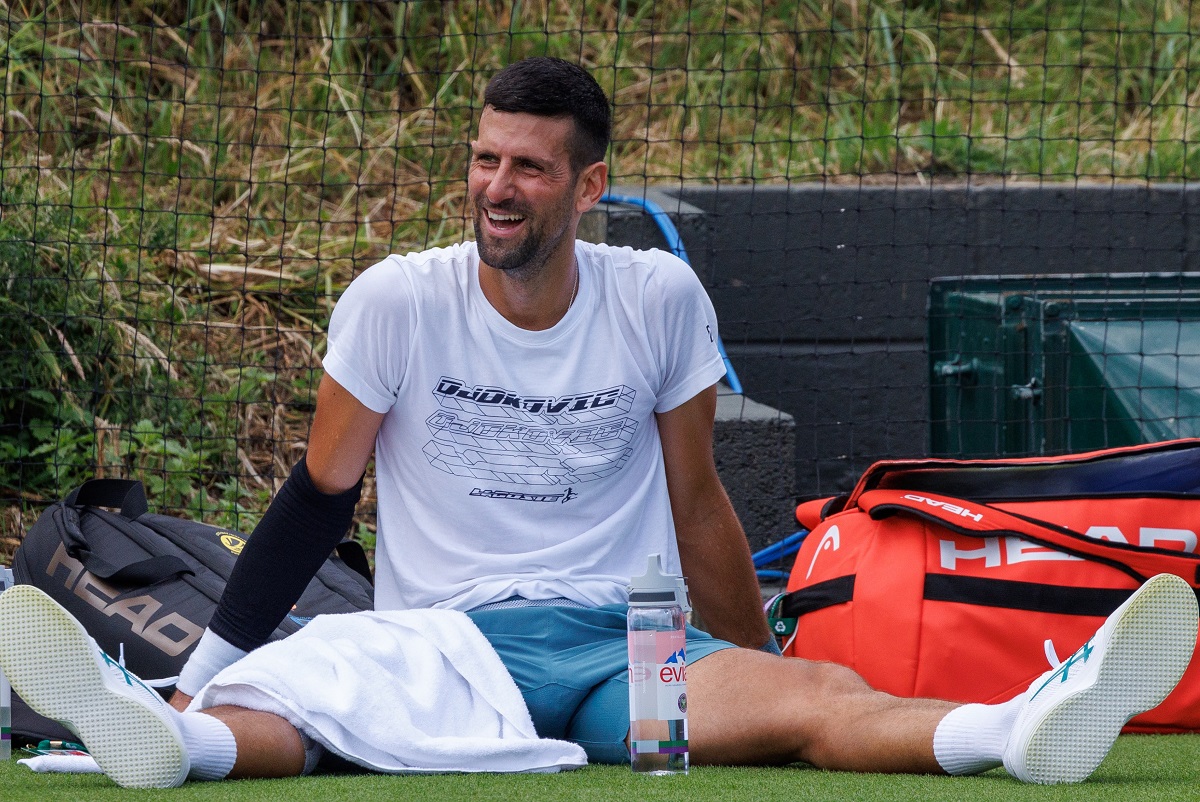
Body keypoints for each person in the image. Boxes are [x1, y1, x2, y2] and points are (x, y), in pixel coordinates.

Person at [0, 56, 1196, 789]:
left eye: (528, 168)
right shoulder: (394, 301)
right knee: (289, 709)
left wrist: (755, 656)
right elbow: (318, 500)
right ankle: (169, 738)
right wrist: (210, 670)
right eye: (484, 160)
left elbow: (697, 500)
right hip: (443, 637)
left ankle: (1018, 727)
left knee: (823, 701)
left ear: (587, 187)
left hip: (632, 652)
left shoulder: (658, 296)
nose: (496, 188)